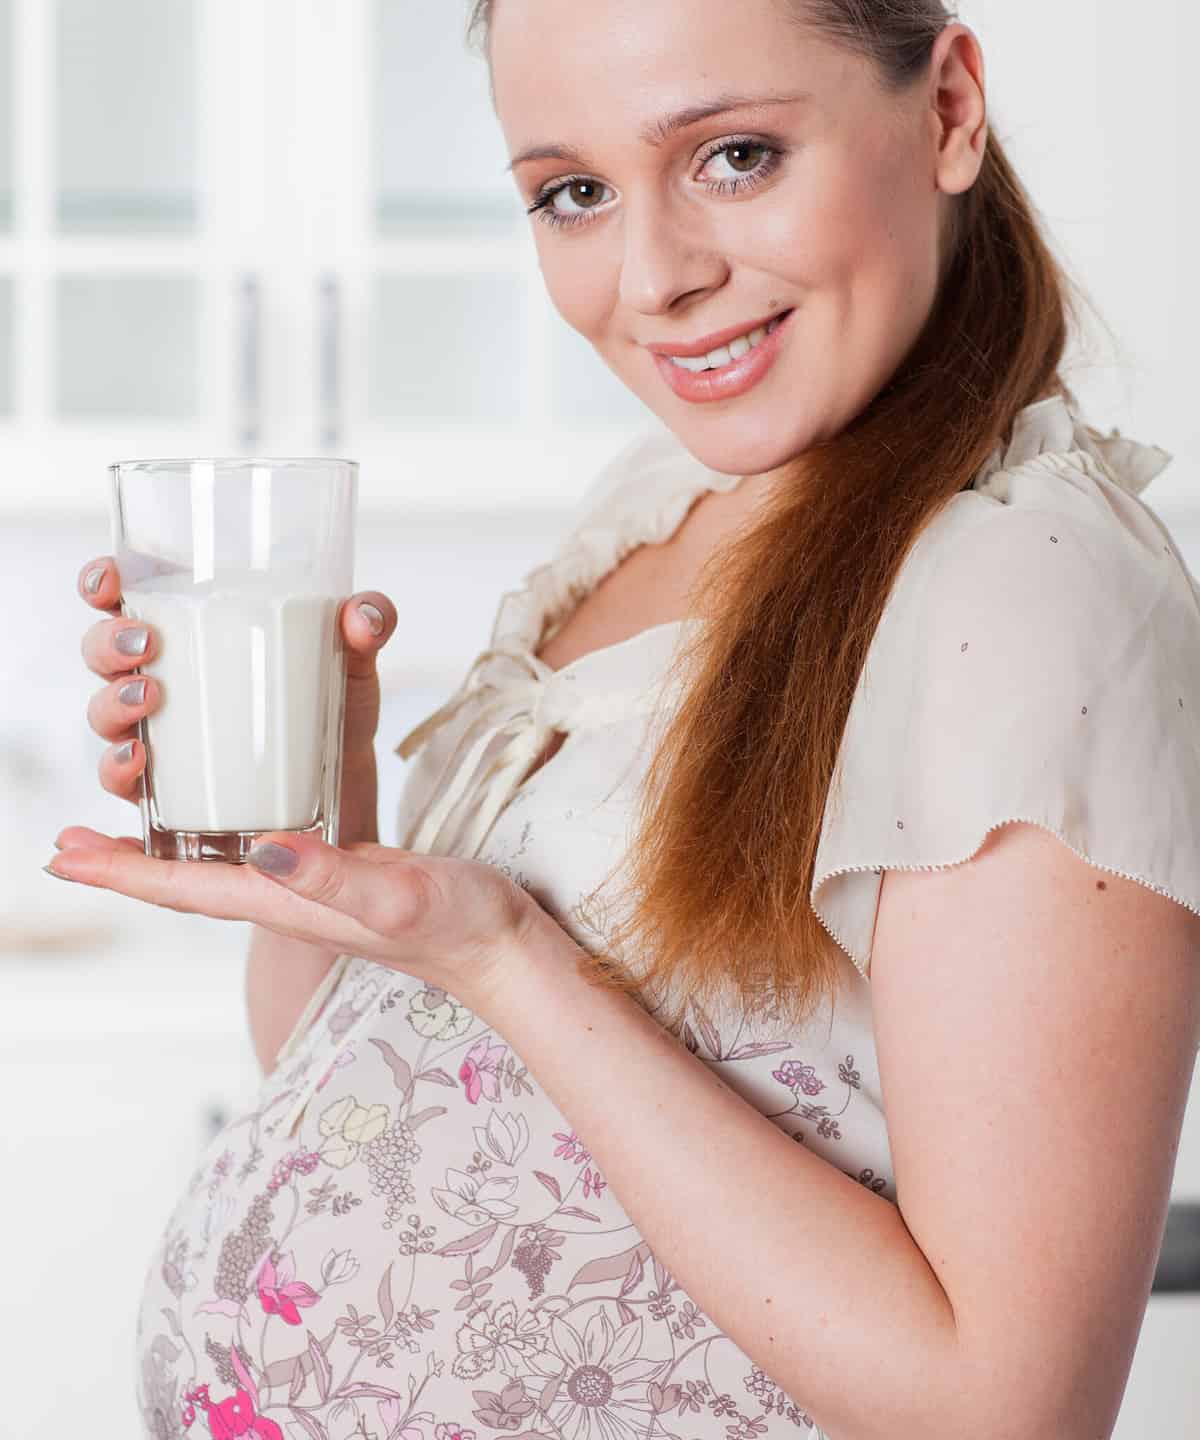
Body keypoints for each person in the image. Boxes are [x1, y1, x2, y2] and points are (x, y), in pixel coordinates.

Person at [56, 2, 1200, 1438]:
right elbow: (346, 1082)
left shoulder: (1026, 589)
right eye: (574, 194)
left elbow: (1005, 1406)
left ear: (951, 109)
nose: (653, 277)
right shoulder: (661, 511)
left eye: (734, 155)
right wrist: (318, 816)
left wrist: (508, 953)